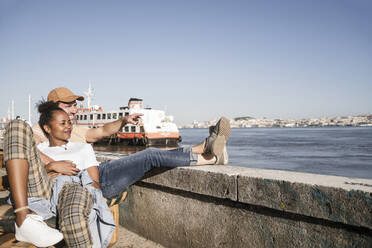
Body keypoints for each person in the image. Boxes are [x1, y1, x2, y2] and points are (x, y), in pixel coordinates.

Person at [4, 101, 116, 247]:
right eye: (63, 123)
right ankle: (23, 219)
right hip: (43, 188)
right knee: (17, 125)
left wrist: (70, 174)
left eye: (69, 122)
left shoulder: (83, 148)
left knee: (73, 219)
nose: (68, 126)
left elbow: (94, 183)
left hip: (70, 187)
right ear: (47, 128)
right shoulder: (39, 150)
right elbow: (23, 175)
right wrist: (51, 167)